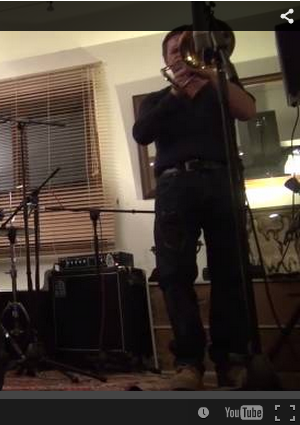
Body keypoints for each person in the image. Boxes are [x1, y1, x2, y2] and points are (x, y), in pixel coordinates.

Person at [133, 27, 256, 390]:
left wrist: (213, 75)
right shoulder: (157, 99)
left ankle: (230, 361)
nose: (180, 54)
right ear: (166, 59)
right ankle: (188, 364)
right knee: (174, 275)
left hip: (222, 180)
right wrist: (176, 93)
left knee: (230, 271)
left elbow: (248, 110)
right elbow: (142, 134)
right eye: (174, 50)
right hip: (175, 186)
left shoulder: (220, 88)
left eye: (186, 47)